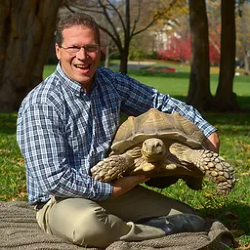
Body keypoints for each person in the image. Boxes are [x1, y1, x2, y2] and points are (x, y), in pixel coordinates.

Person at [16, 12, 220, 248]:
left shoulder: (110, 83)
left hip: (113, 188)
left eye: (90, 47)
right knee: (89, 226)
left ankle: (141, 226)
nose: (83, 56)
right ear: (58, 50)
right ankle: (145, 230)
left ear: (99, 50)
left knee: (188, 215)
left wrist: (206, 129)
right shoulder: (42, 103)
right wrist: (111, 190)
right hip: (61, 199)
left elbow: (159, 101)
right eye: (74, 48)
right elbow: (53, 180)